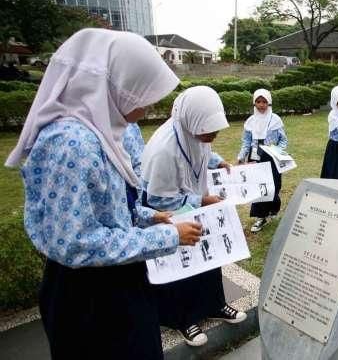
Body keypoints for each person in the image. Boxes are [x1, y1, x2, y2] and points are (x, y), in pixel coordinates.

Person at [4, 28, 203, 360]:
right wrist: (166, 236)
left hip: (117, 281)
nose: (151, 104)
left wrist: (150, 217)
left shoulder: (104, 132)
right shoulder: (71, 144)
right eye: (143, 94)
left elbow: (107, 207)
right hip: (90, 297)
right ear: (113, 88)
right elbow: (76, 242)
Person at [140, 86, 247, 347]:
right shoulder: (163, 151)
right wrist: (201, 200)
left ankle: (214, 305)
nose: (213, 136)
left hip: (195, 202)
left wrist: (218, 162)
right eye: (209, 131)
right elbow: (159, 202)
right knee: (181, 263)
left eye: (216, 130)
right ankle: (182, 319)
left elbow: (204, 152)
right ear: (192, 121)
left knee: (209, 255)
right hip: (168, 212)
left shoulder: (195, 132)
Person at [237, 89, 288, 232]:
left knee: (274, 185)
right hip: (255, 157)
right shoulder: (250, 121)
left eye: (264, 101)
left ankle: (273, 210)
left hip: (271, 157)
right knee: (259, 187)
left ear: (269, 102)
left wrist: (277, 150)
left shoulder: (275, 120)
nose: (261, 105)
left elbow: (283, 140)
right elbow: (246, 141)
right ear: (254, 103)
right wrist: (241, 156)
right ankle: (261, 217)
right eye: (258, 102)